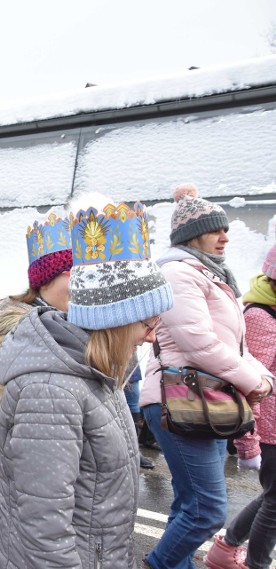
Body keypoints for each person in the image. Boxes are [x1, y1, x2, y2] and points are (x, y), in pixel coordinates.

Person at [0, 201, 173, 568]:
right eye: (146, 324)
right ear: (114, 321)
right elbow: (44, 530)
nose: (152, 338)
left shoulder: (96, 375)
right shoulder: (50, 392)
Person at [140, 185, 274, 569]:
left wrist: (264, 378)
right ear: (192, 234)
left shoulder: (211, 274)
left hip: (209, 400)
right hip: (182, 399)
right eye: (217, 230)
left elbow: (238, 345)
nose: (226, 237)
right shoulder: (178, 272)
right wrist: (253, 382)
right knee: (208, 510)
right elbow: (199, 344)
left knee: (188, 504)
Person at [0, 212, 72, 564]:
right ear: (44, 282)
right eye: (70, 274)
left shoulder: (65, 327)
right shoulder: (15, 333)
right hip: (9, 481)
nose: (80, 284)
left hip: (38, 485)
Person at [204, 245, 276, 569]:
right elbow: (251, 379)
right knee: (275, 501)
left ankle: (226, 547)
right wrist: (251, 438)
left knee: (272, 496)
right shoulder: (261, 315)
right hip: (270, 428)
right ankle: (256, 564)